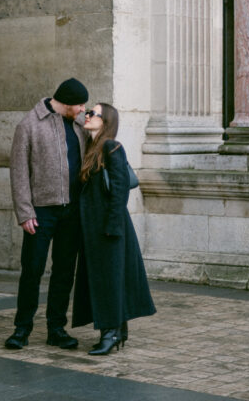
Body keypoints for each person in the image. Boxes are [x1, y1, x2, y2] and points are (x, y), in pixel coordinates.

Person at [4, 77, 89, 351]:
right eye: (79, 104)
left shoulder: (79, 125)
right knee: (32, 270)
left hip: (72, 212)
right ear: (64, 102)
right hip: (41, 212)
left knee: (64, 272)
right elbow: (18, 171)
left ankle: (56, 329)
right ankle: (21, 329)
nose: (82, 109)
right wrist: (25, 211)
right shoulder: (29, 125)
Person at [72, 103, 156, 355]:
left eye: (93, 113)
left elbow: (119, 191)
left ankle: (110, 333)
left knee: (109, 281)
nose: (87, 116)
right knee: (106, 280)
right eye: (88, 113)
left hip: (110, 229)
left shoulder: (111, 147)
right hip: (97, 228)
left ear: (106, 121)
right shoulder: (91, 148)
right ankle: (116, 331)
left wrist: (111, 227)